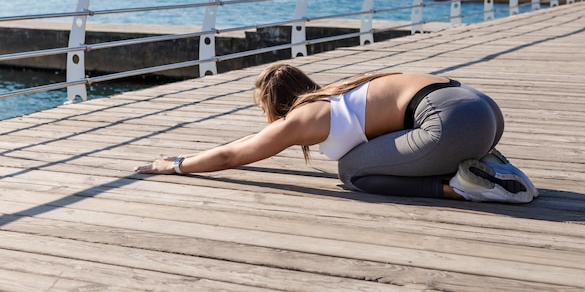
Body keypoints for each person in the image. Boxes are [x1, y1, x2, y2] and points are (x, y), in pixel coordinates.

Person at [134, 63, 538, 203]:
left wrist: (179, 165)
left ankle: (466, 187)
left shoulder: (302, 118)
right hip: (480, 109)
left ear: (274, 104)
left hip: (450, 122)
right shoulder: (341, 95)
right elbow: (243, 144)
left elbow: (233, 156)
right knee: (373, 155)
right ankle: (485, 164)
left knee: (352, 173)